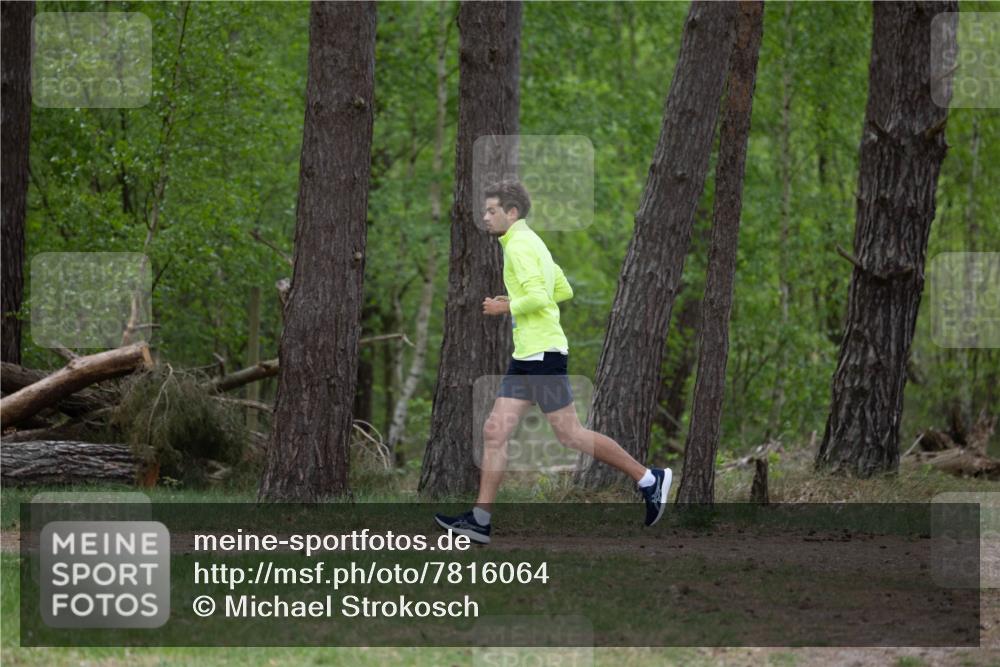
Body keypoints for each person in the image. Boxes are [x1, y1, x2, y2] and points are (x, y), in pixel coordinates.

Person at [434, 180, 672, 545]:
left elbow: (541, 296)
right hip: (526, 357)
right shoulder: (530, 242)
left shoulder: (520, 246)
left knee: (570, 434)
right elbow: (563, 290)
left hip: (543, 355)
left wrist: (506, 306)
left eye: (492, 210)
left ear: (512, 213)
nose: (485, 216)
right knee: (494, 431)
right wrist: (515, 297)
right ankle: (480, 521)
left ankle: (649, 479)